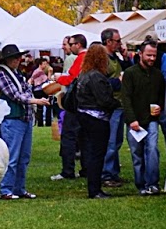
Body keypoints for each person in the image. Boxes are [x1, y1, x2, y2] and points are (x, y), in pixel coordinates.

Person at [0, 44, 39, 201]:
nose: (19, 60)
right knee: (11, 156)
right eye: (15, 58)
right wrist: (34, 100)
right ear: (7, 60)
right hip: (12, 119)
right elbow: (15, 95)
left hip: (24, 118)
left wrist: (30, 98)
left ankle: (19, 188)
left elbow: (25, 90)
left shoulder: (16, 73)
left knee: (24, 157)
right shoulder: (1, 74)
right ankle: (6, 189)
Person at [119, 39, 163, 194]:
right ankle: (141, 185)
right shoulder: (130, 73)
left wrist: (160, 107)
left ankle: (153, 183)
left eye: (154, 55)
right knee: (137, 154)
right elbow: (126, 98)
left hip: (151, 120)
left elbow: (161, 96)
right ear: (140, 54)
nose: (152, 58)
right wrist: (132, 120)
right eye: (149, 55)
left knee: (152, 149)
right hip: (134, 121)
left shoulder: (157, 75)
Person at [75, 43, 118, 200]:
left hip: (84, 115)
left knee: (92, 153)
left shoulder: (83, 74)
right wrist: (117, 104)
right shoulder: (96, 76)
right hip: (97, 118)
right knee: (97, 154)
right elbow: (104, 100)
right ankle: (95, 190)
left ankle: (94, 188)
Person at [51, 33, 88, 181]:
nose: (68, 47)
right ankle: (85, 168)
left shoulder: (80, 58)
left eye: (70, 44)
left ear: (78, 45)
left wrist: (58, 78)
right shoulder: (89, 58)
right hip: (86, 104)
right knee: (84, 137)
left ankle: (68, 170)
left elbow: (71, 78)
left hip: (75, 103)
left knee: (68, 136)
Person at [98, 28, 127, 185]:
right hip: (110, 105)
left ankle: (113, 172)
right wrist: (118, 82)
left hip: (119, 103)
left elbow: (127, 70)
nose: (120, 44)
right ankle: (106, 174)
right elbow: (99, 82)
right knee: (111, 140)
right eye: (117, 41)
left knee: (117, 141)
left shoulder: (115, 57)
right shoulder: (103, 59)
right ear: (108, 42)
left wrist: (125, 55)